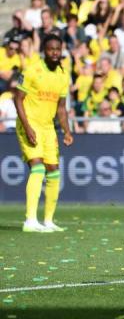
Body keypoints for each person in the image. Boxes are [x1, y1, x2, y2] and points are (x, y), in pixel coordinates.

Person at [14, 34, 73, 232]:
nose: (55, 52)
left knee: (54, 172)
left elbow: (62, 108)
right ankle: (30, 220)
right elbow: (18, 99)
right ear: (44, 51)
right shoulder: (32, 70)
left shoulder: (63, 75)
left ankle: (48, 221)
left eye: (58, 48)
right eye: (51, 49)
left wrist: (66, 131)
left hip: (48, 128)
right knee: (37, 168)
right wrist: (27, 127)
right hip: (29, 123)